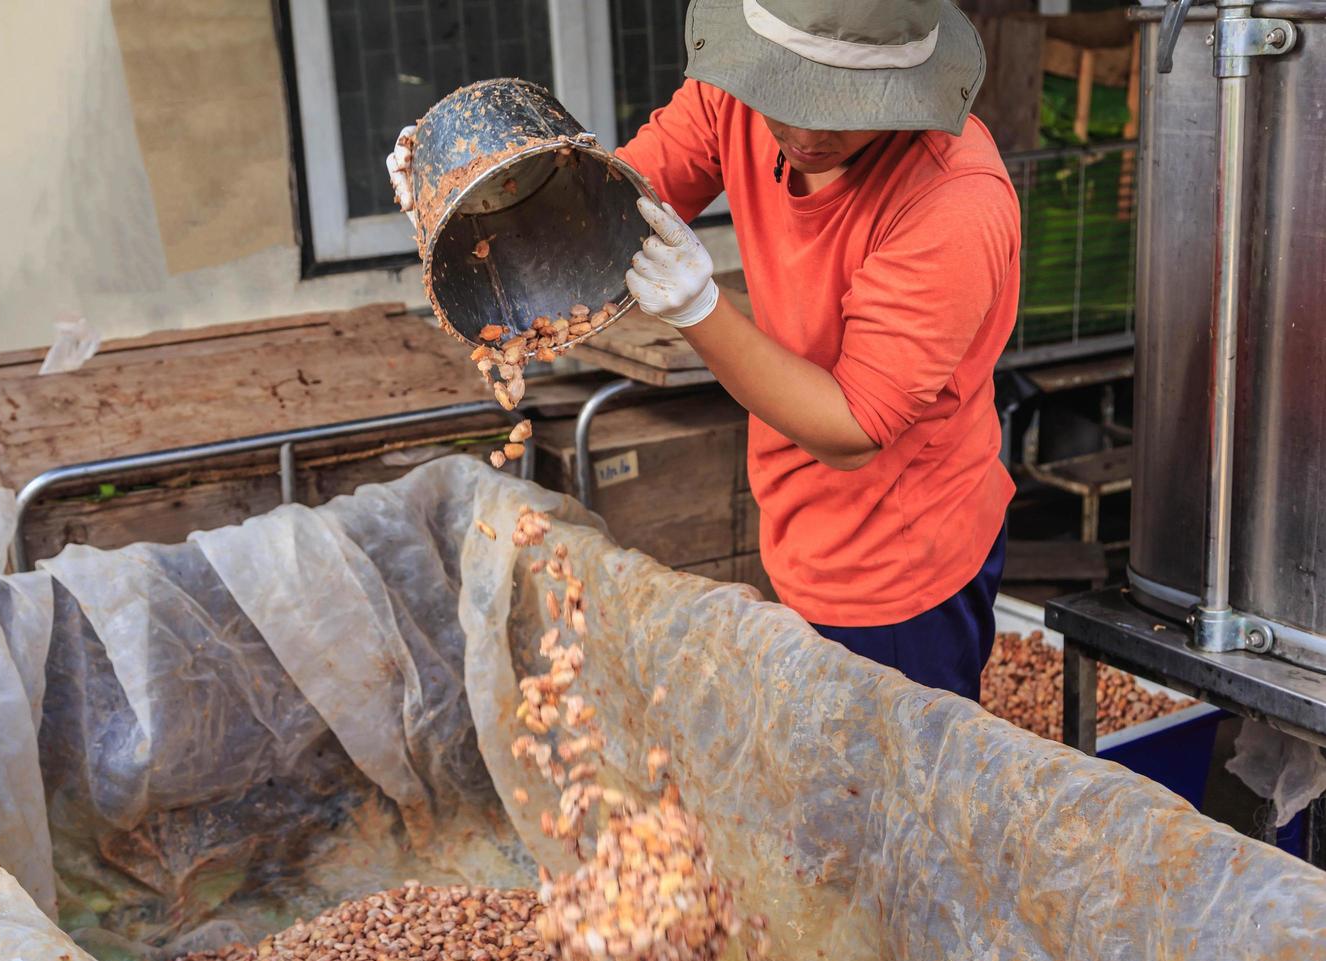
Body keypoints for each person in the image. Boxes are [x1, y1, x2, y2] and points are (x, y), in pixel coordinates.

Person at [388, 0, 1018, 701]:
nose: (805, 129)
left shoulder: (954, 201)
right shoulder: (736, 97)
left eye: (844, 105)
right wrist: (469, 186)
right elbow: (605, 207)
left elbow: (852, 429)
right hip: (795, 515)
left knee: (891, 791)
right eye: (786, 95)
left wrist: (700, 310)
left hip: (900, 559)